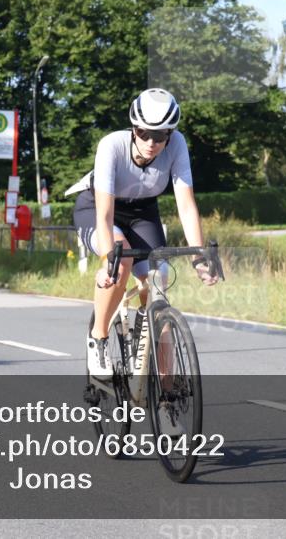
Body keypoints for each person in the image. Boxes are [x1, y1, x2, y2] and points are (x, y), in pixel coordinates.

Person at [70, 88, 218, 380]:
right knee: (121, 260)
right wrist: (106, 260)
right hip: (98, 207)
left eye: (160, 135)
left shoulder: (177, 145)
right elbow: (105, 213)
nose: (151, 142)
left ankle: (166, 387)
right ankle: (98, 338)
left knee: (158, 283)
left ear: (170, 134)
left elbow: (186, 206)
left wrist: (199, 257)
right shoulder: (111, 145)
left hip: (142, 212)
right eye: (144, 133)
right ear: (134, 128)